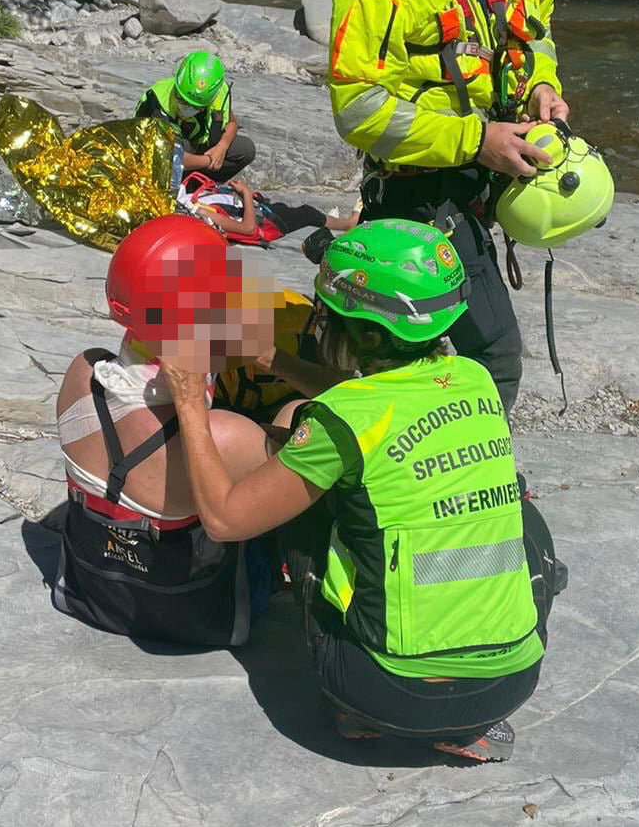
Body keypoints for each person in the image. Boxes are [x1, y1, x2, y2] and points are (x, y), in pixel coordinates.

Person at [164, 220, 559, 762]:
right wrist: (272, 360)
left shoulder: (340, 422)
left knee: (310, 501)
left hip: (386, 691)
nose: (318, 321)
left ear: (369, 334)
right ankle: (465, 725)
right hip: (511, 684)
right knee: (513, 511)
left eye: (328, 314)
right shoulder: (474, 377)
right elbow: (378, 402)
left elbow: (226, 520)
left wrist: (189, 401)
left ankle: (356, 715)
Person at [327, 0, 568, 415]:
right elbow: (357, 109)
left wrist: (541, 86)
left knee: (431, 353)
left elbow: (533, 37)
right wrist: (475, 139)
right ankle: (467, 479)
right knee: (493, 353)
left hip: (480, 176)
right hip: (419, 191)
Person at [52, 215, 275, 647]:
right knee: (295, 421)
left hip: (92, 592)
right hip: (193, 611)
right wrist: (279, 367)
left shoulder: (80, 375)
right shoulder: (228, 436)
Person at [134, 51, 255, 180]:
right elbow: (170, 156)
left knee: (246, 150)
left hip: (198, 147)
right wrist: (209, 160)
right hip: (160, 157)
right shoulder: (158, 101)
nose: (187, 108)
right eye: (181, 100)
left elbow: (231, 123)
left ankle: (195, 184)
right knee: (183, 147)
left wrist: (222, 146)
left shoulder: (218, 96)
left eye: (196, 106)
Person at [180, 172, 360, 247]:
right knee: (307, 213)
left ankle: (335, 222)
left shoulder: (187, 204)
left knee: (285, 208)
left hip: (257, 208)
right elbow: (248, 228)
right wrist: (246, 194)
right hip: (266, 222)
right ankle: (347, 224)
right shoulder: (199, 213)